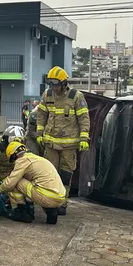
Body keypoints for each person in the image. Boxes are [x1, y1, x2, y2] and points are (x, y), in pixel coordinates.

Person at [33, 66, 90, 216]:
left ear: (64, 83)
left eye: (56, 84)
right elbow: (41, 115)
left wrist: (84, 138)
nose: (53, 87)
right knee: (50, 174)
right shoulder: (48, 95)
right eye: (51, 84)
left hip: (69, 145)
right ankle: (49, 202)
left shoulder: (76, 97)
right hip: (51, 144)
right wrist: (39, 133)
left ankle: (62, 203)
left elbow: (84, 119)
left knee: (65, 175)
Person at [0, 141, 67, 224]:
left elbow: (10, 184)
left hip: (47, 197)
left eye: (12, 160)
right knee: (37, 184)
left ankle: (21, 212)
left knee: (16, 182)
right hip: (60, 197)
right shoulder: (36, 158)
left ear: (14, 155)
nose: (13, 163)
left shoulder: (22, 160)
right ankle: (51, 212)